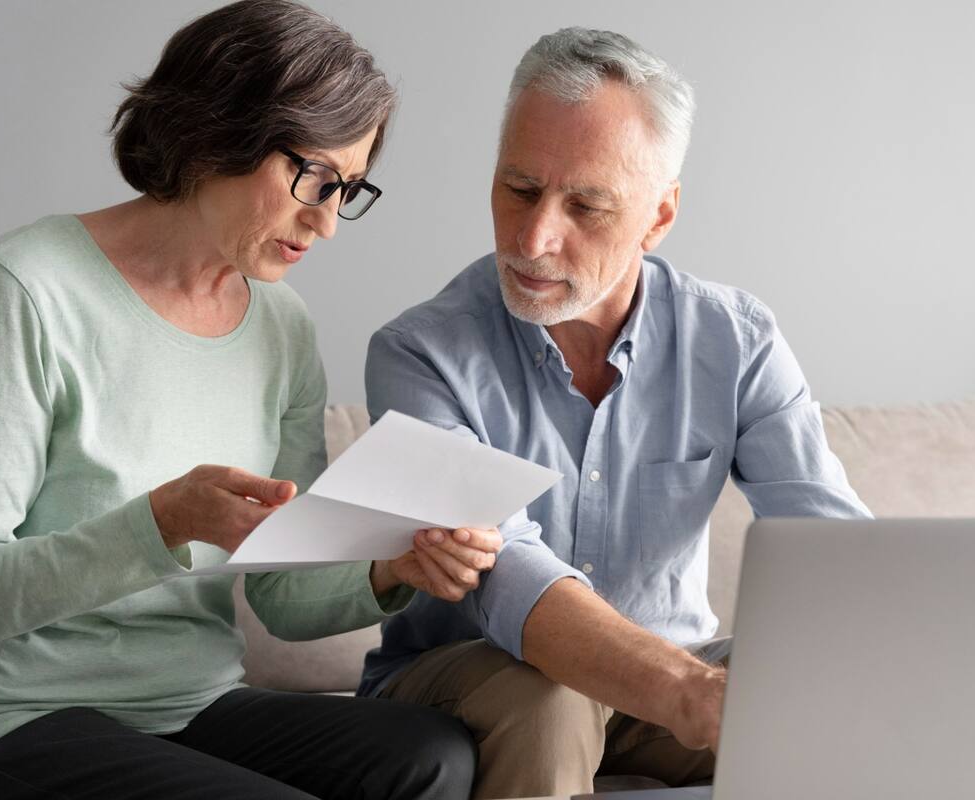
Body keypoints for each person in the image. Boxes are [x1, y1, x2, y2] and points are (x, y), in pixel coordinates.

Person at [0, 3, 500, 799]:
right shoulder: (27, 289)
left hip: (186, 705)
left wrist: (394, 567)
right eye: (313, 177)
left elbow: (283, 592)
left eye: (347, 189)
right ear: (219, 130)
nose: (326, 221)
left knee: (433, 756)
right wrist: (161, 524)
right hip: (3, 719)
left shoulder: (281, 328)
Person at [359, 26, 872, 799]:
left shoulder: (734, 339)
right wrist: (686, 692)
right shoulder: (419, 354)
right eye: (519, 189)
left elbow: (829, 544)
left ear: (658, 217)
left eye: (586, 205)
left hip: (668, 676)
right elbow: (503, 572)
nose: (534, 238)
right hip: (473, 681)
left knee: (842, 691)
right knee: (549, 696)